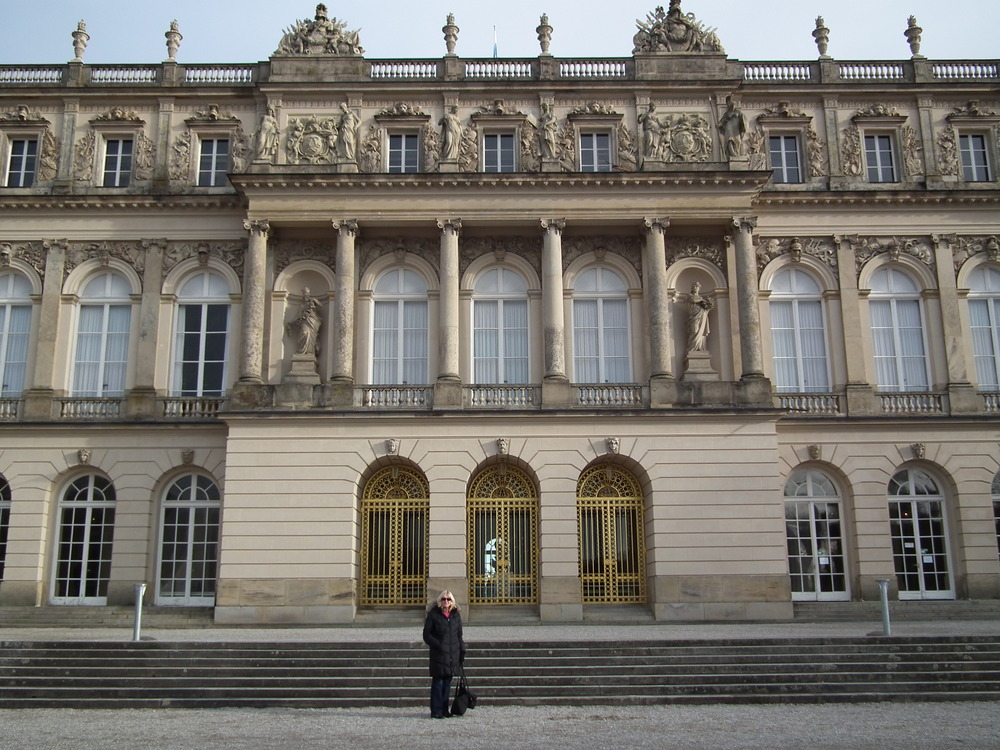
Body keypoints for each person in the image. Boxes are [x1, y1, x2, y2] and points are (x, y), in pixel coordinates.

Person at [422, 589, 466, 719]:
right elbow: (426, 634)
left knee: (447, 683)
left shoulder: (455, 616)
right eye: (443, 599)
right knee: (438, 683)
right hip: (439, 654)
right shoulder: (433, 615)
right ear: (439, 601)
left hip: (452, 654)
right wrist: (437, 644)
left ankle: (444, 709)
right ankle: (436, 710)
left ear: (452, 601)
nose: (446, 601)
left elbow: (459, 635)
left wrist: (462, 651)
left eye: (448, 599)